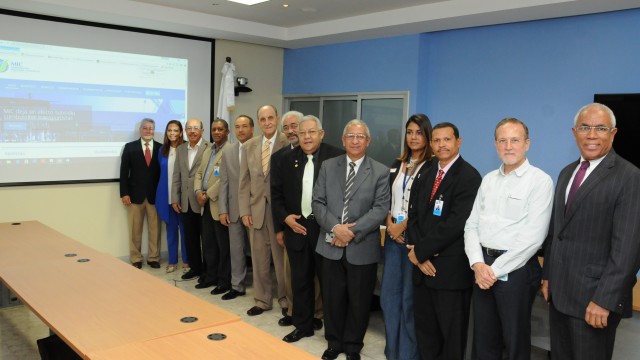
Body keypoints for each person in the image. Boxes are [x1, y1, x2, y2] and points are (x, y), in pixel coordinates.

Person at [542, 103, 640, 360]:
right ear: (574, 132)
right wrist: (548, 276)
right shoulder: (566, 173)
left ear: (613, 133)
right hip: (560, 296)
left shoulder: (629, 176)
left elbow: (628, 249)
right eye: (585, 127)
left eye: (600, 128)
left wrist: (604, 301)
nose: (592, 134)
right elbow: (556, 232)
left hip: (594, 302)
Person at [464, 118, 553, 360]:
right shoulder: (488, 179)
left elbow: (533, 238)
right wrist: (477, 264)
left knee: (515, 342)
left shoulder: (540, 181)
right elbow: (471, 225)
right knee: (483, 339)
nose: (508, 146)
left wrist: (493, 270)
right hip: (482, 266)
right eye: (502, 141)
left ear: (527, 144)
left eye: (515, 140)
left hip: (516, 271)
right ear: (495, 145)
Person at [312, 119, 390, 360]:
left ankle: (354, 346)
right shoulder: (327, 166)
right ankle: (334, 343)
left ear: (368, 141)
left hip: (361, 247)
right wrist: (336, 228)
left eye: (360, 137)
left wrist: (350, 233)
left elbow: (380, 209)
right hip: (330, 246)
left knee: (359, 302)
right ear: (343, 140)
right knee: (333, 299)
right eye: (350, 136)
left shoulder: (380, 171)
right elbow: (318, 202)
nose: (355, 141)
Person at [406, 122, 481, 360]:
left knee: (452, 336)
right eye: (436, 140)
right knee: (426, 332)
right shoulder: (427, 172)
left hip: (450, 271)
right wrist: (419, 254)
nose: (441, 145)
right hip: (422, 268)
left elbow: (457, 223)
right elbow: (414, 215)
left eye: (447, 139)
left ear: (458, 142)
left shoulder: (469, 176)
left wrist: (421, 252)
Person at [271, 115, 344, 343]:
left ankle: (334, 333)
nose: (307, 137)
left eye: (312, 132)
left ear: (321, 134)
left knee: (330, 285)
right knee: (300, 281)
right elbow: (276, 194)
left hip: (325, 230)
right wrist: (285, 219)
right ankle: (302, 326)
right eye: (302, 133)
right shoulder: (284, 158)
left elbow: (343, 197)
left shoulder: (337, 157)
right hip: (297, 228)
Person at [380, 114, 434, 360]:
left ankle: (408, 355)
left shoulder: (432, 166)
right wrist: (390, 222)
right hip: (393, 241)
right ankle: (392, 352)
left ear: (427, 136)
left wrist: (403, 227)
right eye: (410, 132)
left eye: (419, 132)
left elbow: (425, 205)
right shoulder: (397, 163)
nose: (413, 137)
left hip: (413, 242)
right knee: (389, 299)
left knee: (409, 302)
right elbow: (389, 200)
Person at [238, 105, 289, 317]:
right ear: (258, 122)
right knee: (259, 258)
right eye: (262, 119)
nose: (267, 122)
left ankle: (286, 300)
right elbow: (244, 181)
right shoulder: (250, 145)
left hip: (279, 213)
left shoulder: (288, 143)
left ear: (277, 119)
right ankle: (262, 299)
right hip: (256, 210)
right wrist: (244, 211)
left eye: (270, 118)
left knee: (281, 261)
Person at [218, 115, 255, 300]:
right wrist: (222, 209)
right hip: (233, 208)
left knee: (258, 252)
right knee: (236, 249)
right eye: (237, 127)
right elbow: (223, 182)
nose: (241, 130)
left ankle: (263, 289)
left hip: (255, 208)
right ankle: (237, 286)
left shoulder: (260, 149)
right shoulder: (228, 151)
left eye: (245, 126)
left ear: (252, 129)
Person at [119, 118, 162, 269]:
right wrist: (124, 193)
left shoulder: (161, 148)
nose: (148, 131)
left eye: (151, 128)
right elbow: (124, 173)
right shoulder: (130, 147)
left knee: (155, 229)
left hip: (155, 196)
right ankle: (136, 257)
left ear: (154, 130)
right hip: (134, 196)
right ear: (140, 130)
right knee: (135, 230)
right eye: (145, 128)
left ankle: (153, 257)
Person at [274, 110, 303, 327]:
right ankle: (293, 311)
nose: (291, 130)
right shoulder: (280, 157)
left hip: (315, 225)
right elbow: (276, 195)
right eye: (287, 127)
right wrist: (281, 226)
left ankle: (317, 314)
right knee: (291, 274)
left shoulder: (321, 155)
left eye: (295, 125)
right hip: (289, 224)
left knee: (313, 277)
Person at [194, 119, 230, 294]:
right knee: (208, 244)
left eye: (220, 129)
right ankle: (211, 277)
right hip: (204, 204)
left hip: (218, 204)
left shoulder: (230, 150)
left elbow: (226, 178)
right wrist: (198, 192)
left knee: (223, 246)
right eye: (214, 129)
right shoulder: (208, 150)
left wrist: (207, 194)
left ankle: (224, 281)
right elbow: (199, 173)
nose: (217, 132)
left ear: (227, 132)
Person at [172, 119, 210, 281]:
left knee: (207, 239)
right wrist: (175, 198)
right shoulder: (181, 149)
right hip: (185, 201)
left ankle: (208, 271)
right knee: (190, 238)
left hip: (203, 201)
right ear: (185, 131)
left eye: (196, 128)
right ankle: (195, 268)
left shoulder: (210, 147)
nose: (192, 131)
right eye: (189, 128)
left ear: (202, 130)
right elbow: (176, 176)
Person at [155, 120, 188, 273]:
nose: (172, 133)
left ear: (181, 132)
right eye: (169, 130)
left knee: (185, 231)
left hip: (182, 198)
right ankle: (173, 261)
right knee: (171, 231)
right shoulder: (162, 150)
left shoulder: (186, 148)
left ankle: (187, 262)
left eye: (176, 130)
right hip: (166, 197)